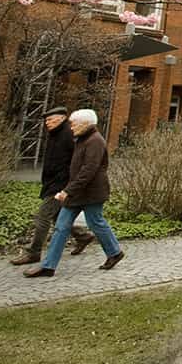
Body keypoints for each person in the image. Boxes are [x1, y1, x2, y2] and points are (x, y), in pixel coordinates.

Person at [23, 108, 124, 278]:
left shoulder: (95, 141)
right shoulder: (81, 139)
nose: (71, 127)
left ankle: (114, 252)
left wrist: (67, 191)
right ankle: (48, 266)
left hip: (91, 193)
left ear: (86, 124)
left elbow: (88, 170)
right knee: (61, 227)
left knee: (96, 223)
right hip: (77, 192)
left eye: (74, 123)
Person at [10, 106, 95, 266]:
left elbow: (78, 161)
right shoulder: (55, 134)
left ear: (62, 118)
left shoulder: (68, 135)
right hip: (53, 183)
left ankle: (34, 253)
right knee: (58, 217)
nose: (46, 123)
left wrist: (69, 185)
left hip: (60, 185)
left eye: (50, 119)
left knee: (43, 217)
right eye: (46, 120)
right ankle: (82, 236)